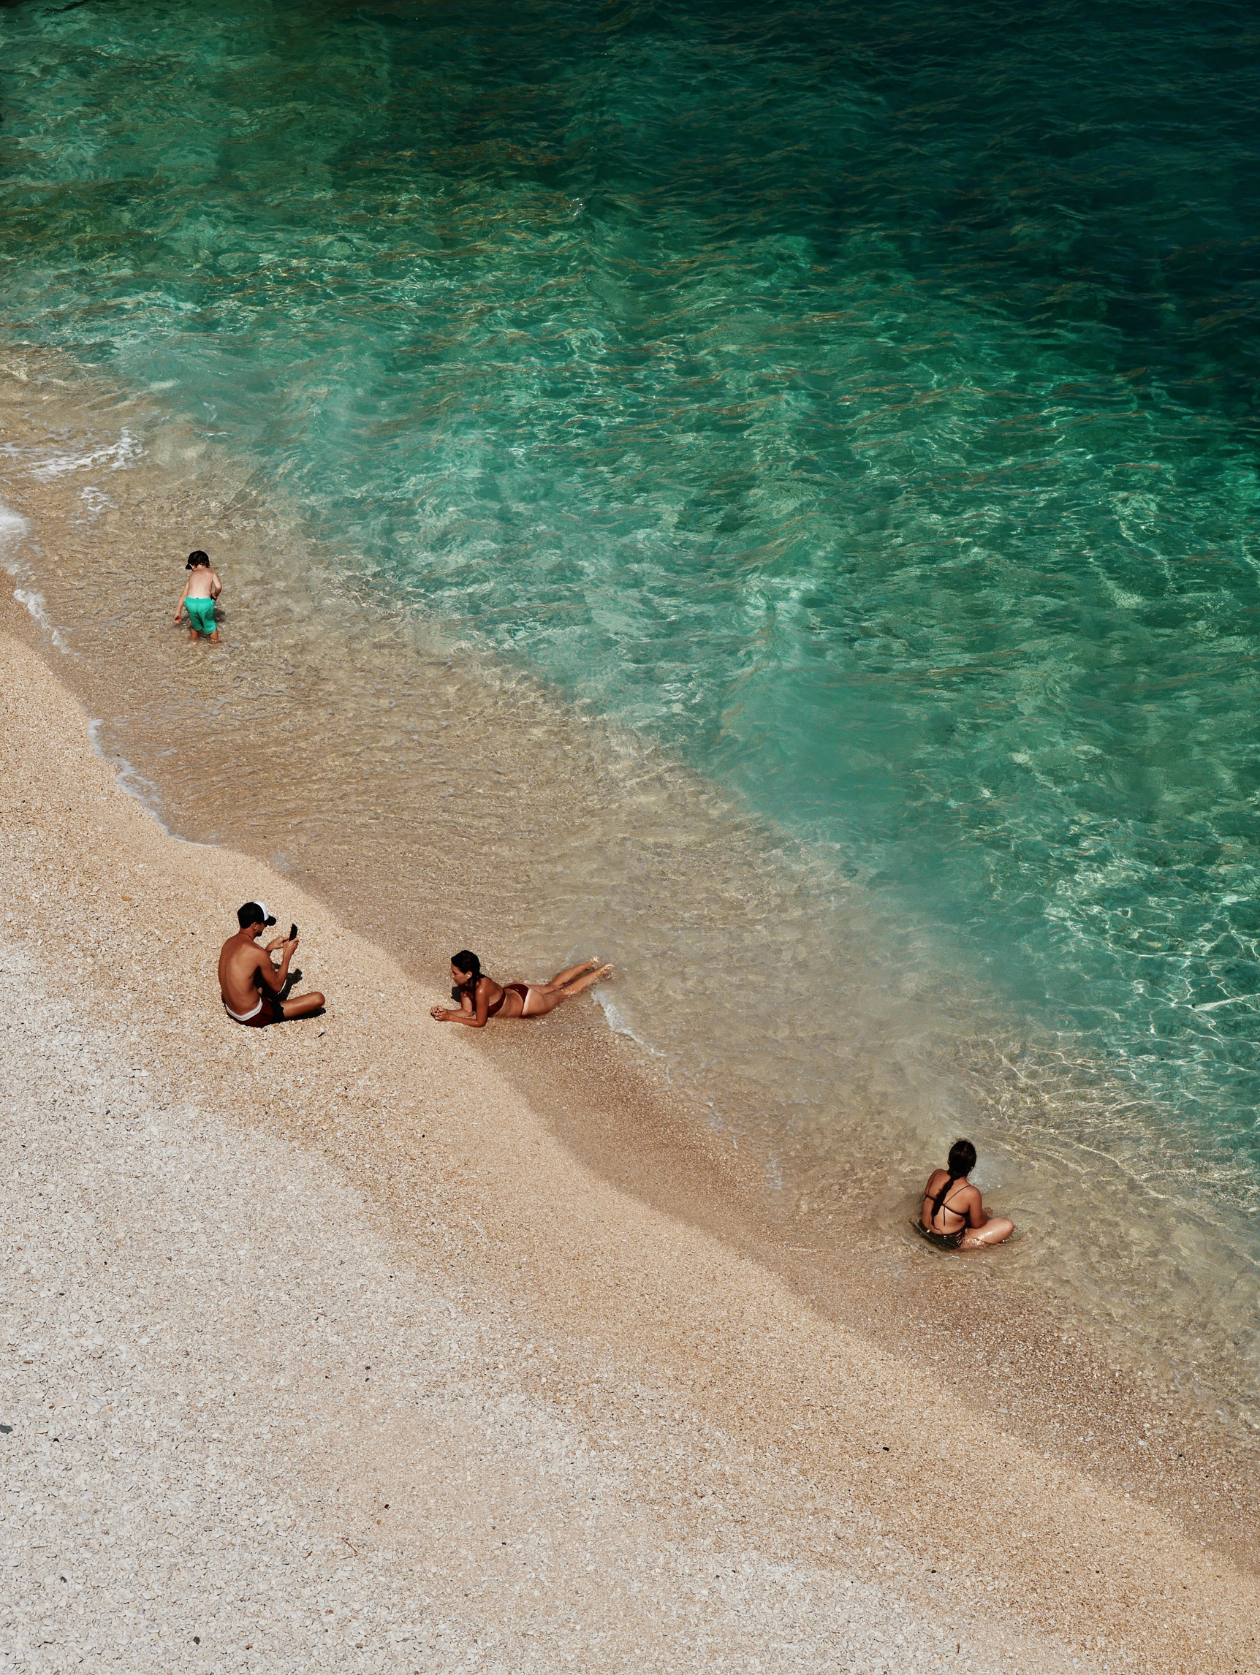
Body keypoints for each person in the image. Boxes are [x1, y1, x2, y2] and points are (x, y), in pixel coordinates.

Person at [430, 950, 612, 1027]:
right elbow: (466, 1010)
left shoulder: (479, 990)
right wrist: (446, 1011)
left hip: (528, 1003)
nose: (451, 976)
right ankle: (591, 963)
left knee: (564, 993)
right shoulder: (468, 983)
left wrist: (450, 1018)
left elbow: (480, 1022)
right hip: (516, 990)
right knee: (553, 986)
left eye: (454, 973)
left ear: (468, 973)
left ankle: (601, 972)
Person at [219, 901, 325, 1028]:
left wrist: (269, 949)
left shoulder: (228, 943)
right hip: (253, 1015)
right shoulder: (257, 952)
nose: (265, 927)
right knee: (318, 998)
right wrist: (287, 955)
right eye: (264, 924)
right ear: (255, 926)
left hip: (232, 1009)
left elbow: (249, 964)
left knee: (261, 972)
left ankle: (267, 1001)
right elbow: (277, 986)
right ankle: (271, 1007)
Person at [919, 1138, 1014, 1250]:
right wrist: (985, 1214)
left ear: (949, 1160)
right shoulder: (971, 1192)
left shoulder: (936, 1173)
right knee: (1007, 1225)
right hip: (947, 1243)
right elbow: (977, 1224)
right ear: (971, 1167)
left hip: (922, 1230)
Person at [174, 550, 222, 643]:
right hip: (204, 603)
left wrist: (178, 612)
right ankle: (215, 644)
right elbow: (219, 586)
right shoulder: (211, 572)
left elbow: (183, 596)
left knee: (195, 624)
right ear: (209, 563)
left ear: (192, 565)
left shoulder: (192, 575)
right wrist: (215, 595)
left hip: (190, 602)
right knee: (211, 625)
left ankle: (194, 643)